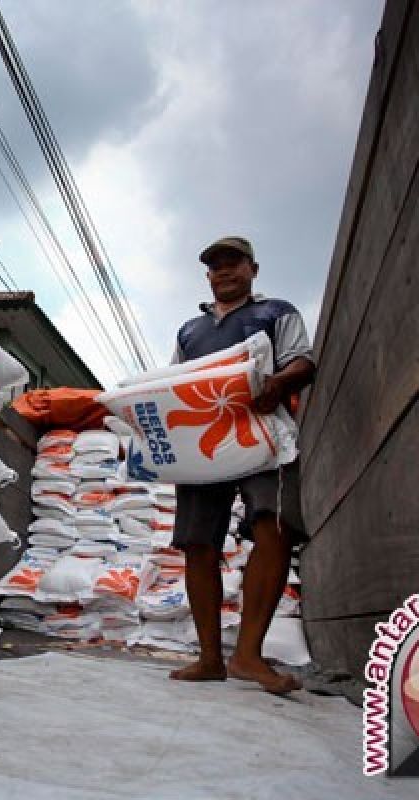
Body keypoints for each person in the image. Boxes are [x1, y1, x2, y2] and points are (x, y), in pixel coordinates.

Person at [167, 235, 316, 695]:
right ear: (207, 276)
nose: (224, 271)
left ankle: (248, 655)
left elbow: (304, 362)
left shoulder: (276, 312)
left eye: (234, 263)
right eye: (215, 266)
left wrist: (276, 383)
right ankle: (210, 658)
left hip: (263, 432)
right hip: (204, 439)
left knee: (273, 525)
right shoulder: (190, 331)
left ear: (253, 269)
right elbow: (172, 381)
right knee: (197, 543)